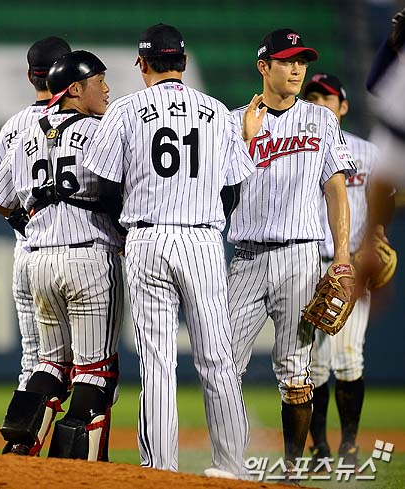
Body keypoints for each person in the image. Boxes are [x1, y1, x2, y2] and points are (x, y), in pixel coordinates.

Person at [82, 23, 265, 480]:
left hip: (146, 239)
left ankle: (160, 470)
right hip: (201, 240)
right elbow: (233, 188)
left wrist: (127, 232)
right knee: (217, 357)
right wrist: (205, 220)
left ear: (142, 63)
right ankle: (232, 466)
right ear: (182, 61)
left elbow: (104, 187)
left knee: (157, 362)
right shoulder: (218, 111)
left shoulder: (124, 110)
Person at [227, 29, 356, 481]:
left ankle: (291, 471)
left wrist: (342, 258)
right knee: (223, 366)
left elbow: (336, 191)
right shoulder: (232, 122)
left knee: (295, 372)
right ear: (264, 67)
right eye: (286, 60)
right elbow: (217, 190)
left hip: (301, 257)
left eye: (301, 60)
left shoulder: (321, 120)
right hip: (245, 256)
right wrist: (244, 142)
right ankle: (230, 463)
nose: (297, 68)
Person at [0, 50, 124, 461]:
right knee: (95, 371)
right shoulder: (101, 131)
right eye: (99, 81)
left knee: (49, 364)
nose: (107, 89)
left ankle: (20, 445)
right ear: (75, 89)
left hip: (39, 260)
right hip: (89, 257)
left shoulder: (26, 134)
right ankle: (74, 467)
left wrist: (30, 220)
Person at [302, 73, 394, 468]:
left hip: (352, 265)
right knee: (314, 364)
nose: (319, 104)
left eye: (327, 98)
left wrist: (376, 234)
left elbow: (386, 198)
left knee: (349, 357)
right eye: (312, 98)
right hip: (307, 263)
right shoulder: (295, 149)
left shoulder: (366, 153)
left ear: (343, 106)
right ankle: (320, 448)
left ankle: (350, 446)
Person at [0, 36, 71, 392]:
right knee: (91, 362)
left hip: (27, 255)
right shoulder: (84, 121)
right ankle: (82, 429)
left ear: (30, 75)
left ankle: (22, 427)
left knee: (34, 362)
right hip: (78, 252)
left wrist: (25, 223)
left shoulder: (13, 127)